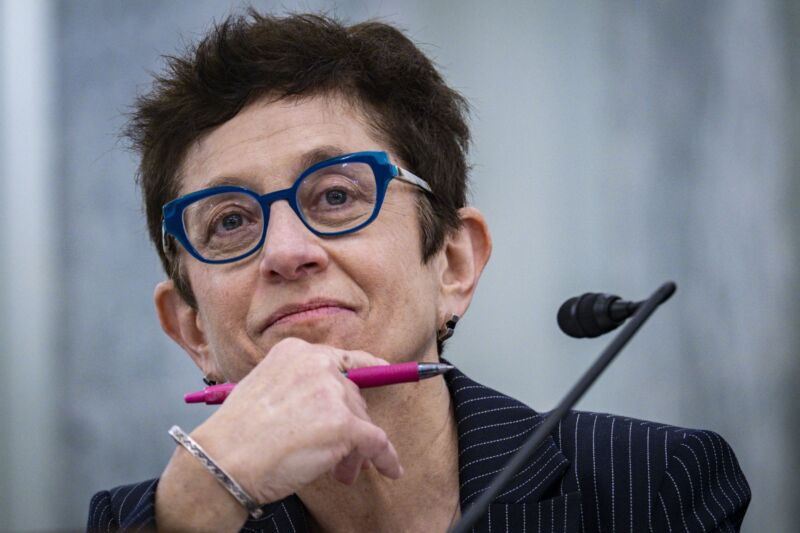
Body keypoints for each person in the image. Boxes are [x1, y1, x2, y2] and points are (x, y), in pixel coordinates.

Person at [87, 10, 750, 532]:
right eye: (230, 221)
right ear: (192, 328)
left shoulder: (650, 482)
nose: (286, 251)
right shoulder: (151, 519)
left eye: (337, 195)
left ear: (454, 264)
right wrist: (203, 500)